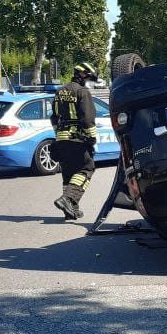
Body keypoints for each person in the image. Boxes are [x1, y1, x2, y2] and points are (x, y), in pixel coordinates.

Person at [50, 63, 99, 220]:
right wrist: (91, 138)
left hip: (61, 138)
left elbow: (54, 117)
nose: (90, 83)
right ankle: (68, 199)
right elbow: (87, 119)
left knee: (69, 173)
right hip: (77, 138)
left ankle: (71, 209)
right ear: (84, 75)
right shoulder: (82, 92)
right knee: (87, 168)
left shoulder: (59, 91)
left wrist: (58, 135)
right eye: (91, 79)